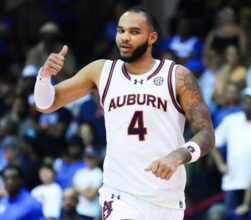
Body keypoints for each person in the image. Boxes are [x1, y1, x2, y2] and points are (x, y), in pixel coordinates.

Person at [33, 7, 214, 220]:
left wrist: (178, 155)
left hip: (165, 197)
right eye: (121, 31)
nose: (125, 38)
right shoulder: (102, 71)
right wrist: (44, 77)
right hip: (119, 194)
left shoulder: (177, 76)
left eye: (134, 32)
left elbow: (207, 135)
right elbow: (46, 104)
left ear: (152, 37)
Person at [211, 88, 251, 210]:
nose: (247, 105)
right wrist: (220, 164)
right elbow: (213, 143)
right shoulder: (231, 120)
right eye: (245, 101)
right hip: (234, 181)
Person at [72, 148, 103, 219]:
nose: (88, 160)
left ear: (96, 159)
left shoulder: (99, 173)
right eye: (86, 157)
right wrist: (85, 190)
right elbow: (74, 191)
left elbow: (90, 195)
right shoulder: (80, 172)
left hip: (93, 213)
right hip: (80, 211)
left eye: (91, 157)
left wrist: (78, 189)